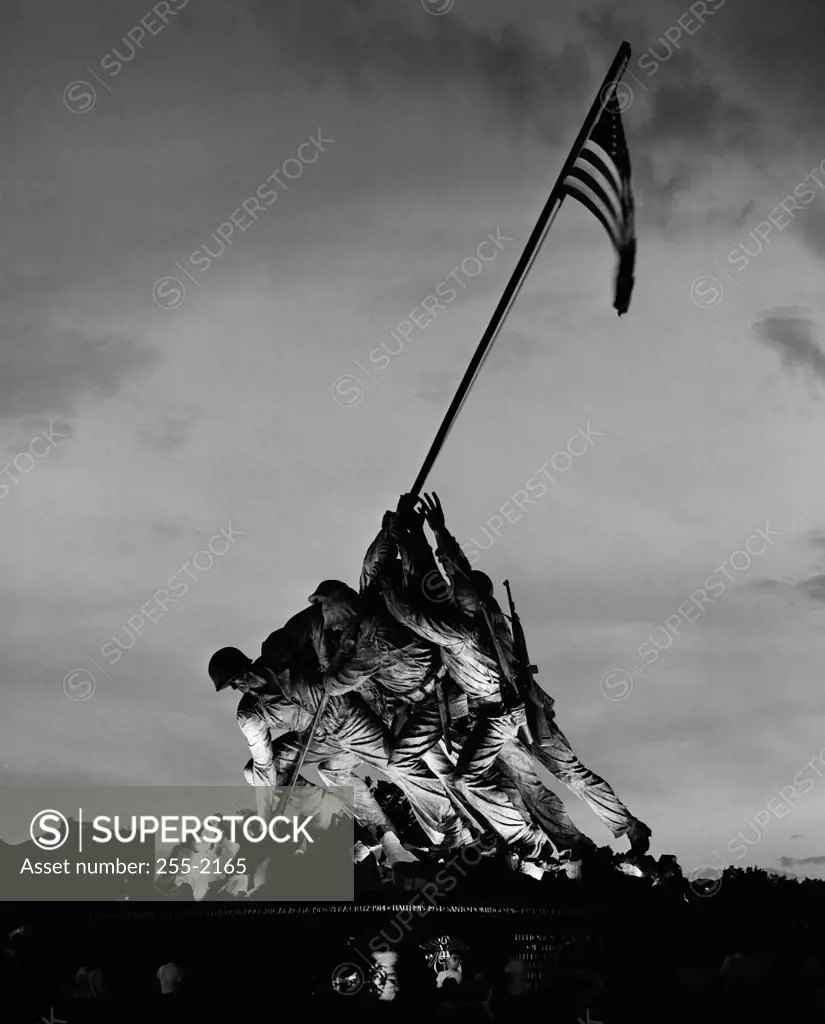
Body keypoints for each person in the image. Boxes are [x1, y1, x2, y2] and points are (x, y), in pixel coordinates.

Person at [407, 492, 653, 859]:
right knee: (528, 784)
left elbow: (458, 573)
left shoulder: (480, 623)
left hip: (526, 709)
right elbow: (457, 571)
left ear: (472, 600)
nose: (453, 591)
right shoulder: (473, 615)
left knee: (571, 773)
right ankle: (570, 846)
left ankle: (630, 826)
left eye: (459, 593)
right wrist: (438, 531)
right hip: (495, 717)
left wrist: (437, 535)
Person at [208, 644, 468, 865]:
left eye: (242, 677)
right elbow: (264, 764)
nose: (242, 687)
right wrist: (268, 810)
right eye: (235, 686)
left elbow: (332, 652)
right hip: (317, 737)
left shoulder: (284, 658)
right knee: (255, 773)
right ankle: (378, 833)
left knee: (395, 765)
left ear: (249, 665)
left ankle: (453, 827)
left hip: (352, 717)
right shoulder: (250, 715)